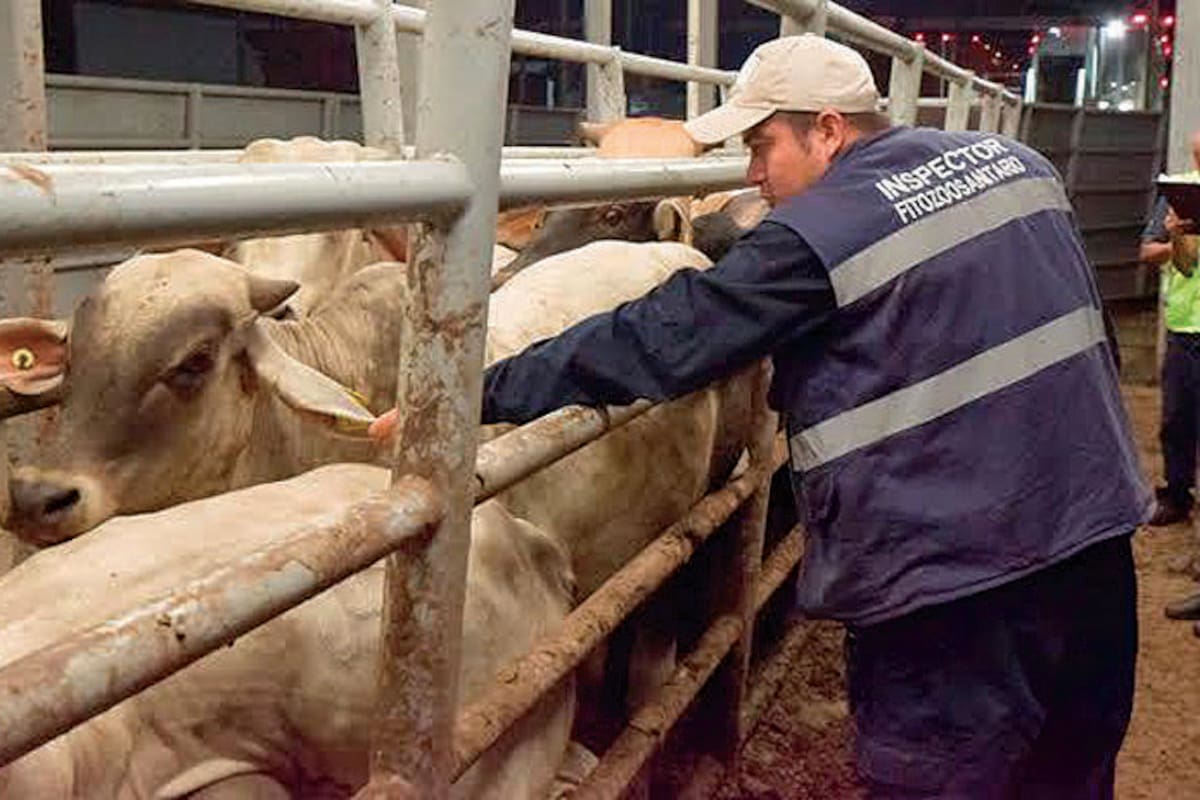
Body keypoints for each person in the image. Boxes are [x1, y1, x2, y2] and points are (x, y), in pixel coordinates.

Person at [372, 35, 1150, 799]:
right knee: (1071, 773)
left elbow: (666, 335)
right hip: (1095, 549)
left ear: (829, 131)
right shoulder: (1021, 167)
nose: (750, 174)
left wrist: (472, 394)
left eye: (763, 144)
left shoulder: (823, 231)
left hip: (950, 597)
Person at [1139, 130, 1200, 526]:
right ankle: (1177, 495)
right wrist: (1177, 234)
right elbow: (1149, 251)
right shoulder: (1179, 194)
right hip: (1186, 323)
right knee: (1178, 417)